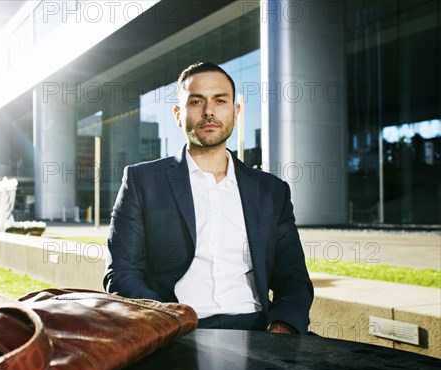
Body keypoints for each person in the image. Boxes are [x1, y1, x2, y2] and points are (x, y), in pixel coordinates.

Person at [103, 62, 314, 334]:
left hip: (259, 330)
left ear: (235, 112)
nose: (209, 111)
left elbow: (294, 278)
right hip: (178, 330)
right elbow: (121, 274)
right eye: (196, 101)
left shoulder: (271, 191)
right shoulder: (142, 181)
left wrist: (282, 329)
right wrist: (167, 324)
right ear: (178, 115)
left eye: (220, 100)